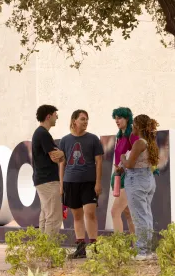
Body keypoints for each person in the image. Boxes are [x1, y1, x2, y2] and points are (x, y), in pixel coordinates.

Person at [59, 110, 104, 259]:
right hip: (70, 182)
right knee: (77, 216)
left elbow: (99, 162)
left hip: (89, 182)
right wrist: (61, 185)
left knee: (90, 213)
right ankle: (80, 248)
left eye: (87, 119)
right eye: (82, 119)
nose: (85, 122)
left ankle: (94, 246)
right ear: (74, 121)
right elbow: (62, 163)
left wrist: (98, 182)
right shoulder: (65, 141)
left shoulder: (93, 139)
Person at [120, 114, 159, 259]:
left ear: (137, 126)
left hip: (136, 180)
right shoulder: (149, 142)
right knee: (146, 215)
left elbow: (129, 164)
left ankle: (141, 251)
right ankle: (148, 250)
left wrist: (123, 158)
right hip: (148, 179)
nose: (132, 127)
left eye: (133, 124)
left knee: (139, 216)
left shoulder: (139, 143)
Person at [32, 105, 64, 236]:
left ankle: (43, 249)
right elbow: (55, 158)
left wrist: (60, 154)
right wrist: (62, 154)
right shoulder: (43, 134)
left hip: (42, 179)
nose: (57, 117)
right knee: (54, 216)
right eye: (56, 114)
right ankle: (50, 250)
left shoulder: (39, 133)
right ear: (48, 116)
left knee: (46, 215)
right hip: (48, 180)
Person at [110, 107, 137, 234]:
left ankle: (119, 245)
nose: (117, 120)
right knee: (128, 214)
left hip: (129, 177)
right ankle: (136, 246)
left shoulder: (132, 135)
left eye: (119, 118)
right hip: (118, 177)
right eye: (115, 118)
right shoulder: (120, 136)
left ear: (127, 118)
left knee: (115, 211)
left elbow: (138, 155)